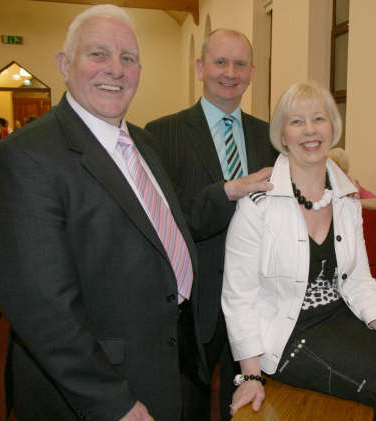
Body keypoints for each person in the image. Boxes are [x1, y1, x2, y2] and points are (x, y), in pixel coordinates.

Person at [0, 5, 206, 421]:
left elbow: (161, 235)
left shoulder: (144, 143)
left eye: (129, 58)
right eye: (98, 54)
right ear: (64, 65)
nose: (115, 70)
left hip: (174, 361)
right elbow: (43, 308)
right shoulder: (25, 157)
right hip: (102, 387)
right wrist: (112, 401)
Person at [221, 82, 376, 421]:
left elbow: (359, 281)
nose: (309, 130)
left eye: (319, 119)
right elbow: (239, 295)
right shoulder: (258, 204)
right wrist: (250, 375)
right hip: (289, 334)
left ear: (333, 128)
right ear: (282, 134)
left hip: (341, 317)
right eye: (297, 122)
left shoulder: (347, 198)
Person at [145, 28, 276, 420]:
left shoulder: (269, 136)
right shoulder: (161, 134)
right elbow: (167, 224)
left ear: (252, 72)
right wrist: (227, 191)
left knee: (247, 404)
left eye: (239, 64)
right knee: (190, 404)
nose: (230, 72)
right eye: (220, 62)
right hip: (193, 299)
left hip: (255, 299)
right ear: (201, 67)